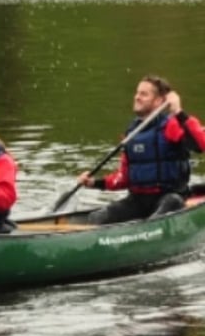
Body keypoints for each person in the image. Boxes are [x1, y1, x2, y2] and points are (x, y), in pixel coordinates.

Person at [77, 75, 205, 224]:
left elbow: (200, 145)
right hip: (138, 200)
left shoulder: (172, 125)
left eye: (144, 94)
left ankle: (151, 232)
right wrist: (94, 183)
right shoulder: (132, 133)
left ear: (158, 101)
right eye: (137, 93)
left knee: (171, 204)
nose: (137, 97)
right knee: (96, 218)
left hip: (169, 197)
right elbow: (124, 178)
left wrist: (178, 111)